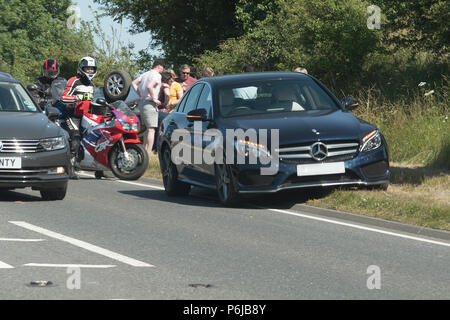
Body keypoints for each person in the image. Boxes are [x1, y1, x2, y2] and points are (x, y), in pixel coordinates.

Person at [60, 56, 98, 179]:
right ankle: (69, 168)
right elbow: (64, 97)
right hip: (71, 115)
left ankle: (99, 168)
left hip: (86, 117)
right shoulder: (74, 80)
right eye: (88, 68)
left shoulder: (91, 84)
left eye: (92, 69)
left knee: (93, 138)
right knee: (75, 138)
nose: (90, 71)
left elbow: (91, 101)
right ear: (82, 68)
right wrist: (78, 98)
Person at [131, 59, 165, 155]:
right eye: (163, 68)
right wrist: (154, 98)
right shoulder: (157, 75)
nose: (162, 70)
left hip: (142, 103)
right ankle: (149, 153)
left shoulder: (145, 74)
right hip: (150, 104)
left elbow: (133, 83)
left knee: (147, 128)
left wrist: (140, 94)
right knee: (151, 129)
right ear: (159, 66)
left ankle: (145, 151)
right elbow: (150, 86)